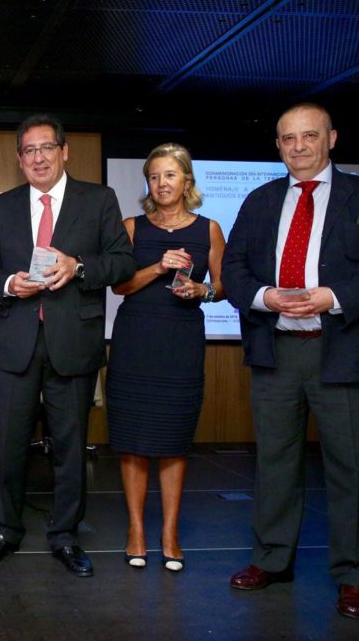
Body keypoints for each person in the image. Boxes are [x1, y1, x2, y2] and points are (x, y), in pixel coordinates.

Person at [222, 103, 359, 618]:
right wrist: (265, 296)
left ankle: (354, 576)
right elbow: (233, 269)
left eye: (309, 136)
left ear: (331, 139)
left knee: (350, 470)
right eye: (288, 138)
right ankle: (272, 560)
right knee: (274, 465)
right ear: (278, 146)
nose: (298, 146)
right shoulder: (259, 201)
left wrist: (334, 296)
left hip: (344, 351)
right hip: (276, 350)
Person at [0, 115, 135, 576]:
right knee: (11, 444)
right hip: (17, 342)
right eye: (29, 150)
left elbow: (122, 263)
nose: (39, 157)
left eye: (47, 148)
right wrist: (7, 282)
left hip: (74, 342)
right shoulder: (3, 206)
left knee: (70, 445)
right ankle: (5, 528)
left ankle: (65, 535)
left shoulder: (98, 199)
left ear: (64, 151)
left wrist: (78, 266)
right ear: (20, 159)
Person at [106, 143, 225, 572]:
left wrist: (201, 291)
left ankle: (169, 534)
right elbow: (119, 287)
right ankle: (136, 530)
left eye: (170, 176)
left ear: (187, 181)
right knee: (133, 443)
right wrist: (158, 267)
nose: (162, 184)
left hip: (181, 343)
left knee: (174, 443)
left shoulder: (209, 228)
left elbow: (222, 286)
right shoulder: (132, 227)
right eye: (154, 177)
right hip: (135, 341)